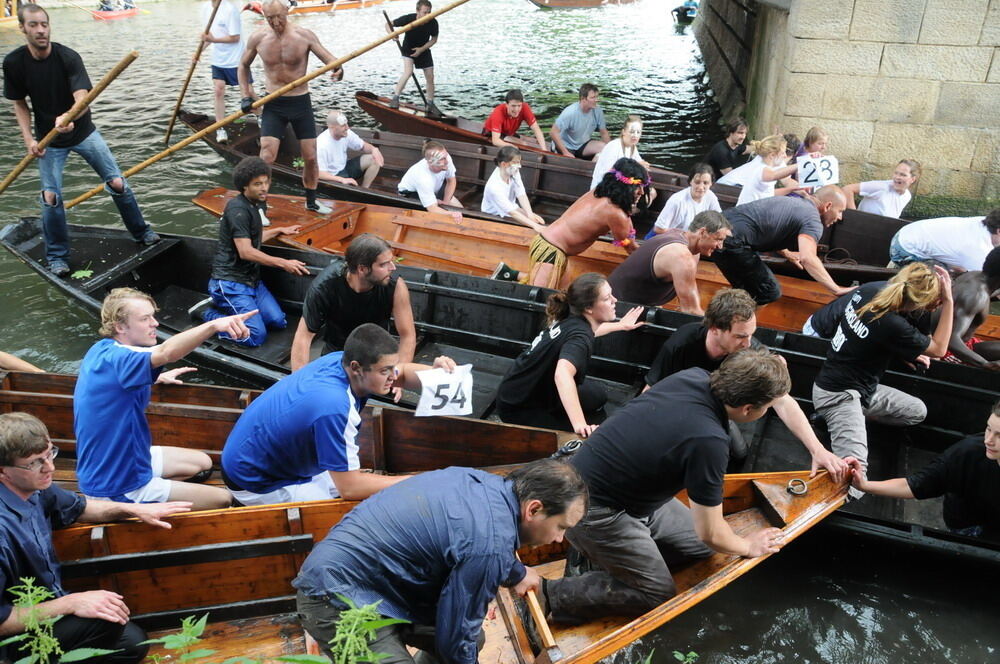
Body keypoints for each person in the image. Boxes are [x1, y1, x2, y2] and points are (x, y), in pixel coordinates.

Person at [542, 349, 790, 623]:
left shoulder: (693, 376)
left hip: (628, 495)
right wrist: (747, 546)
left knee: (704, 548)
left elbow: (708, 538)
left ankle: (614, 558)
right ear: (747, 409)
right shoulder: (709, 441)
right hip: (592, 509)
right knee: (657, 594)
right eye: (766, 408)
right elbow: (710, 531)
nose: (765, 412)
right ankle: (553, 594)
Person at [294, 458, 587, 663]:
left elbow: (469, 543)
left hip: (379, 583)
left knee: (475, 642)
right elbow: (455, 639)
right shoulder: (490, 546)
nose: (560, 539)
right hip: (334, 598)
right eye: (561, 527)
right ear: (533, 509)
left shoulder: (480, 482)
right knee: (460, 646)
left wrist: (515, 571)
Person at [0, 413, 190, 664]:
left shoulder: (33, 489)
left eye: (49, 454)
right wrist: (71, 603)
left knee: (132, 644)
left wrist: (133, 509)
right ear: (3, 472)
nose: (50, 467)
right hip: (11, 640)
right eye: (35, 462)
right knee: (104, 623)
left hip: (47, 609)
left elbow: (79, 507)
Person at [2, 3, 160, 277]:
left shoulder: (67, 56)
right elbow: (19, 105)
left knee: (117, 183)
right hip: (48, 140)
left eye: (44, 24)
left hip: (83, 131)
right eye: (33, 25)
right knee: (50, 197)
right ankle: (57, 258)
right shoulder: (14, 63)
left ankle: (142, 232)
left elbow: (83, 97)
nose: (41, 30)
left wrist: (69, 116)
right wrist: (29, 139)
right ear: (22, 29)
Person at [222, 324, 455, 505]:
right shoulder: (334, 407)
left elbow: (401, 372)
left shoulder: (337, 361)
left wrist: (433, 374)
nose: (393, 377)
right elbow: (351, 489)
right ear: (356, 367)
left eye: (391, 368)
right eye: (384, 371)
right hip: (256, 481)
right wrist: (419, 481)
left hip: (265, 457)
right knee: (342, 516)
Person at [643, 289, 849, 477]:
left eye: (751, 334)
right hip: (679, 408)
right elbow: (650, 392)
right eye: (740, 336)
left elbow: (783, 401)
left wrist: (817, 449)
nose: (748, 343)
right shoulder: (681, 344)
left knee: (739, 452)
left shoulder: (751, 353)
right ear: (715, 329)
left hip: (719, 410)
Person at [73, 288, 245, 510]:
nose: (155, 323)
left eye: (153, 316)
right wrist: (213, 325)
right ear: (120, 326)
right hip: (117, 483)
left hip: (129, 456)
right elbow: (166, 352)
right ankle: (145, 498)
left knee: (203, 463)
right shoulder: (124, 358)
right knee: (223, 500)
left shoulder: (102, 350)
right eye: (145, 319)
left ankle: (164, 491)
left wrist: (155, 378)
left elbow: (110, 384)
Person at [812, 263, 955, 492]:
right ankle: (834, 419)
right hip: (839, 395)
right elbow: (939, 350)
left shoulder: (871, 289)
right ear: (921, 303)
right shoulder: (892, 323)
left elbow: (874, 335)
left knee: (916, 411)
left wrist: (903, 350)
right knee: (854, 481)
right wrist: (948, 302)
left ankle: (828, 420)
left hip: (862, 388)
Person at [496, 273, 643, 437]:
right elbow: (562, 374)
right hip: (520, 406)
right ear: (589, 308)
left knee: (598, 396)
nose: (615, 300)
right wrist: (580, 425)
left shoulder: (571, 318)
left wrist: (621, 326)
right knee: (589, 436)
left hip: (522, 388)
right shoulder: (580, 336)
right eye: (607, 298)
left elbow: (590, 332)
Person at [239, 0, 344, 215]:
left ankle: (311, 201)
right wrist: (245, 95)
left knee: (311, 156)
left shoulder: (304, 35)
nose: (276, 22)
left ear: (287, 11)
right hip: (273, 103)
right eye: (270, 18)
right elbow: (242, 65)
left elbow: (330, 60)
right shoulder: (258, 37)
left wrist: (338, 69)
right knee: (267, 155)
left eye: (279, 17)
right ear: (264, 16)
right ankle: (260, 206)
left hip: (300, 102)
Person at [195, 156, 309, 347]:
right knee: (255, 336)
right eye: (257, 184)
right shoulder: (237, 210)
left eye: (266, 182)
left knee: (278, 321)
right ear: (244, 187)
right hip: (230, 282)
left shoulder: (252, 205)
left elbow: (251, 238)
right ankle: (208, 314)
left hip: (251, 281)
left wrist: (277, 231)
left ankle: (227, 309)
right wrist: (284, 263)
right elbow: (246, 251)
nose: (264, 188)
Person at [847, 399, 1000, 540]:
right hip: (968, 525)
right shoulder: (967, 453)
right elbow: (915, 485)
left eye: (999, 435)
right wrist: (864, 485)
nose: (988, 440)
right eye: (988, 429)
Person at [290, 234, 416, 371]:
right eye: (383, 264)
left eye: (391, 261)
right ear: (362, 269)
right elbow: (303, 337)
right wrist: (298, 381)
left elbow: (407, 335)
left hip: (377, 356)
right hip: (337, 355)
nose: (392, 268)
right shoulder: (325, 286)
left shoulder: (395, 286)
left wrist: (398, 374)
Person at [713, 187, 855, 305]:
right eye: (840, 211)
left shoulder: (793, 202)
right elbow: (808, 258)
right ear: (828, 206)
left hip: (716, 226)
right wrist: (835, 289)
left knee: (749, 290)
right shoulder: (813, 221)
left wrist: (786, 253)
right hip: (729, 241)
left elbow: (769, 230)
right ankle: (732, 329)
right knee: (769, 292)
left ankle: (729, 324)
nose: (840, 217)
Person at [527, 158, 648, 289]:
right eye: (637, 186)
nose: (641, 191)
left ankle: (511, 274)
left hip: (548, 246)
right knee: (536, 298)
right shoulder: (615, 214)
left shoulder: (598, 192)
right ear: (625, 185)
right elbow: (630, 247)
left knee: (563, 293)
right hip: (551, 253)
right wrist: (653, 260)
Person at [608, 210, 730, 313]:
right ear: (703, 232)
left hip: (627, 307)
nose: (720, 246)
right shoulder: (681, 256)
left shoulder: (682, 238)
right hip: (613, 310)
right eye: (718, 239)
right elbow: (691, 311)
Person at [938, 247, 1000, 368]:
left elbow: (986, 294)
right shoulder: (976, 296)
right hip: (947, 350)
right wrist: (985, 364)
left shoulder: (974, 276)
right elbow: (951, 339)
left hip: (966, 343)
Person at [200, 0, 249, 144]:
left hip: (235, 58)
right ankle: (220, 127)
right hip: (218, 59)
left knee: (248, 92)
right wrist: (198, 52)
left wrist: (213, 40)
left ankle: (261, 117)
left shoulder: (230, 10)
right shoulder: (205, 8)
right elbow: (209, 36)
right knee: (218, 90)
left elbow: (235, 38)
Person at [888, 211, 1000, 273]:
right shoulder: (978, 250)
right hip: (903, 249)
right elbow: (979, 279)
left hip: (910, 231)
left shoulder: (984, 220)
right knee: (949, 279)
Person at [388, 0, 440, 116]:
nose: (427, 15)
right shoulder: (408, 19)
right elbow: (388, 25)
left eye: (429, 12)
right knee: (408, 72)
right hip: (408, 49)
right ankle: (395, 98)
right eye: (424, 12)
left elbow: (434, 39)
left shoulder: (433, 22)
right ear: (417, 11)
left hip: (424, 49)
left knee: (430, 77)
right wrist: (392, 35)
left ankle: (430, 104)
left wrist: (421, 49)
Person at [645, 163, 722, 237]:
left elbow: (719, 220)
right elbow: (658, 229)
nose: (701, 187)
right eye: (697, 182)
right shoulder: (677, 201)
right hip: (664, 238)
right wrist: (685, 234)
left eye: (705, 183)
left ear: (711, 184)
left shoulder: (711, 197)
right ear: (691, 181)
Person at [480, 146, 545, 232]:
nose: (519, 166)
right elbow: (512, 213)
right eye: (516, 162)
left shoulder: (513, 171)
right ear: (503, 164)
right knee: (534, 225)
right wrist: (535, 226)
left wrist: (530, 214)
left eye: (519, 162)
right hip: (493, 215)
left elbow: (521, 193)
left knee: (538, 219)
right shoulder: (494, 186)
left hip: (511, 207)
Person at [397, 140, 463, 223]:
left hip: (434, 188)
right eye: (442, 159)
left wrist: (445, 202)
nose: (447, 161)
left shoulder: (446, 158)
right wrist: (451, 214)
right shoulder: (423, 178)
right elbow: (432, 208)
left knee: (462, 211)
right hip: (410, 195)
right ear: (431, 162)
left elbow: (451, 180)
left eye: (446, 156)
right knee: (444, 218)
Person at [316, 109, 384, 188]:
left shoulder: (346, 133)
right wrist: (341, 179)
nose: (347, 128)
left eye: (347, 124)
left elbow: (362, 146)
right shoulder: (321, 144)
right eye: (343, 126)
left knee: (374, 159)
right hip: (332, 177)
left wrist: (374, 149)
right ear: (332, 127)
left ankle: (364, 190)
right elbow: (319, 173)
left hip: (344, 168)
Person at [734, 135, 801, 206]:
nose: (785, 156)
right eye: (783, 153)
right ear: (772, 155)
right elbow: (773, 175)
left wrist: (792, 189)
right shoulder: (762, 168)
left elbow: (770, 193)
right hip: (743, 208)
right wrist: (801, 164)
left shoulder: (764, 162)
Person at [549, 83, 610, 160]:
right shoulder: (570, 112)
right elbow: (553, 132)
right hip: (566, 145)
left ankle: (592, 169)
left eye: (596, 97)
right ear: (583, 99)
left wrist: (611, 151)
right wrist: (565, 152)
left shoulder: (597, 111)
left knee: (605, 148)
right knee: (570, 161)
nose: (596, 100)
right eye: (593, 97)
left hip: (582, 145)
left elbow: (604, 132)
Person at [842, 159, 919, 218]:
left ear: (912, 179)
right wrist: (855, 217)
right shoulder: (881, 187)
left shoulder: (907, 196)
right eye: (896, 173)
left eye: (903, 175)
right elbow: (847, 189)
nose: (897, 177)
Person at [590, 115, 651, 189]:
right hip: (604, 188)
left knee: (652, 192)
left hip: (620, 187)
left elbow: (640, 162)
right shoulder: (614, 146)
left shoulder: (632, 147)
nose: (635, 135)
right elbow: (607, 174)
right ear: (623, 132)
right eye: (632, 132)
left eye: (638, 132)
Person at [482, 88, 546, 151]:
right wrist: (512, 146)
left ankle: (518, 138)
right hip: (491, 133)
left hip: (508, 132)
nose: (516, 109)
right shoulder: (498, 113)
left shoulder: (525, 107)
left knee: (531, 140)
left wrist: (544, 150)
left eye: (519, 106)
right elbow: (495, 141)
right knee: (523, 144)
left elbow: (536, 128)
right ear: (506, 105)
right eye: (513, 106)